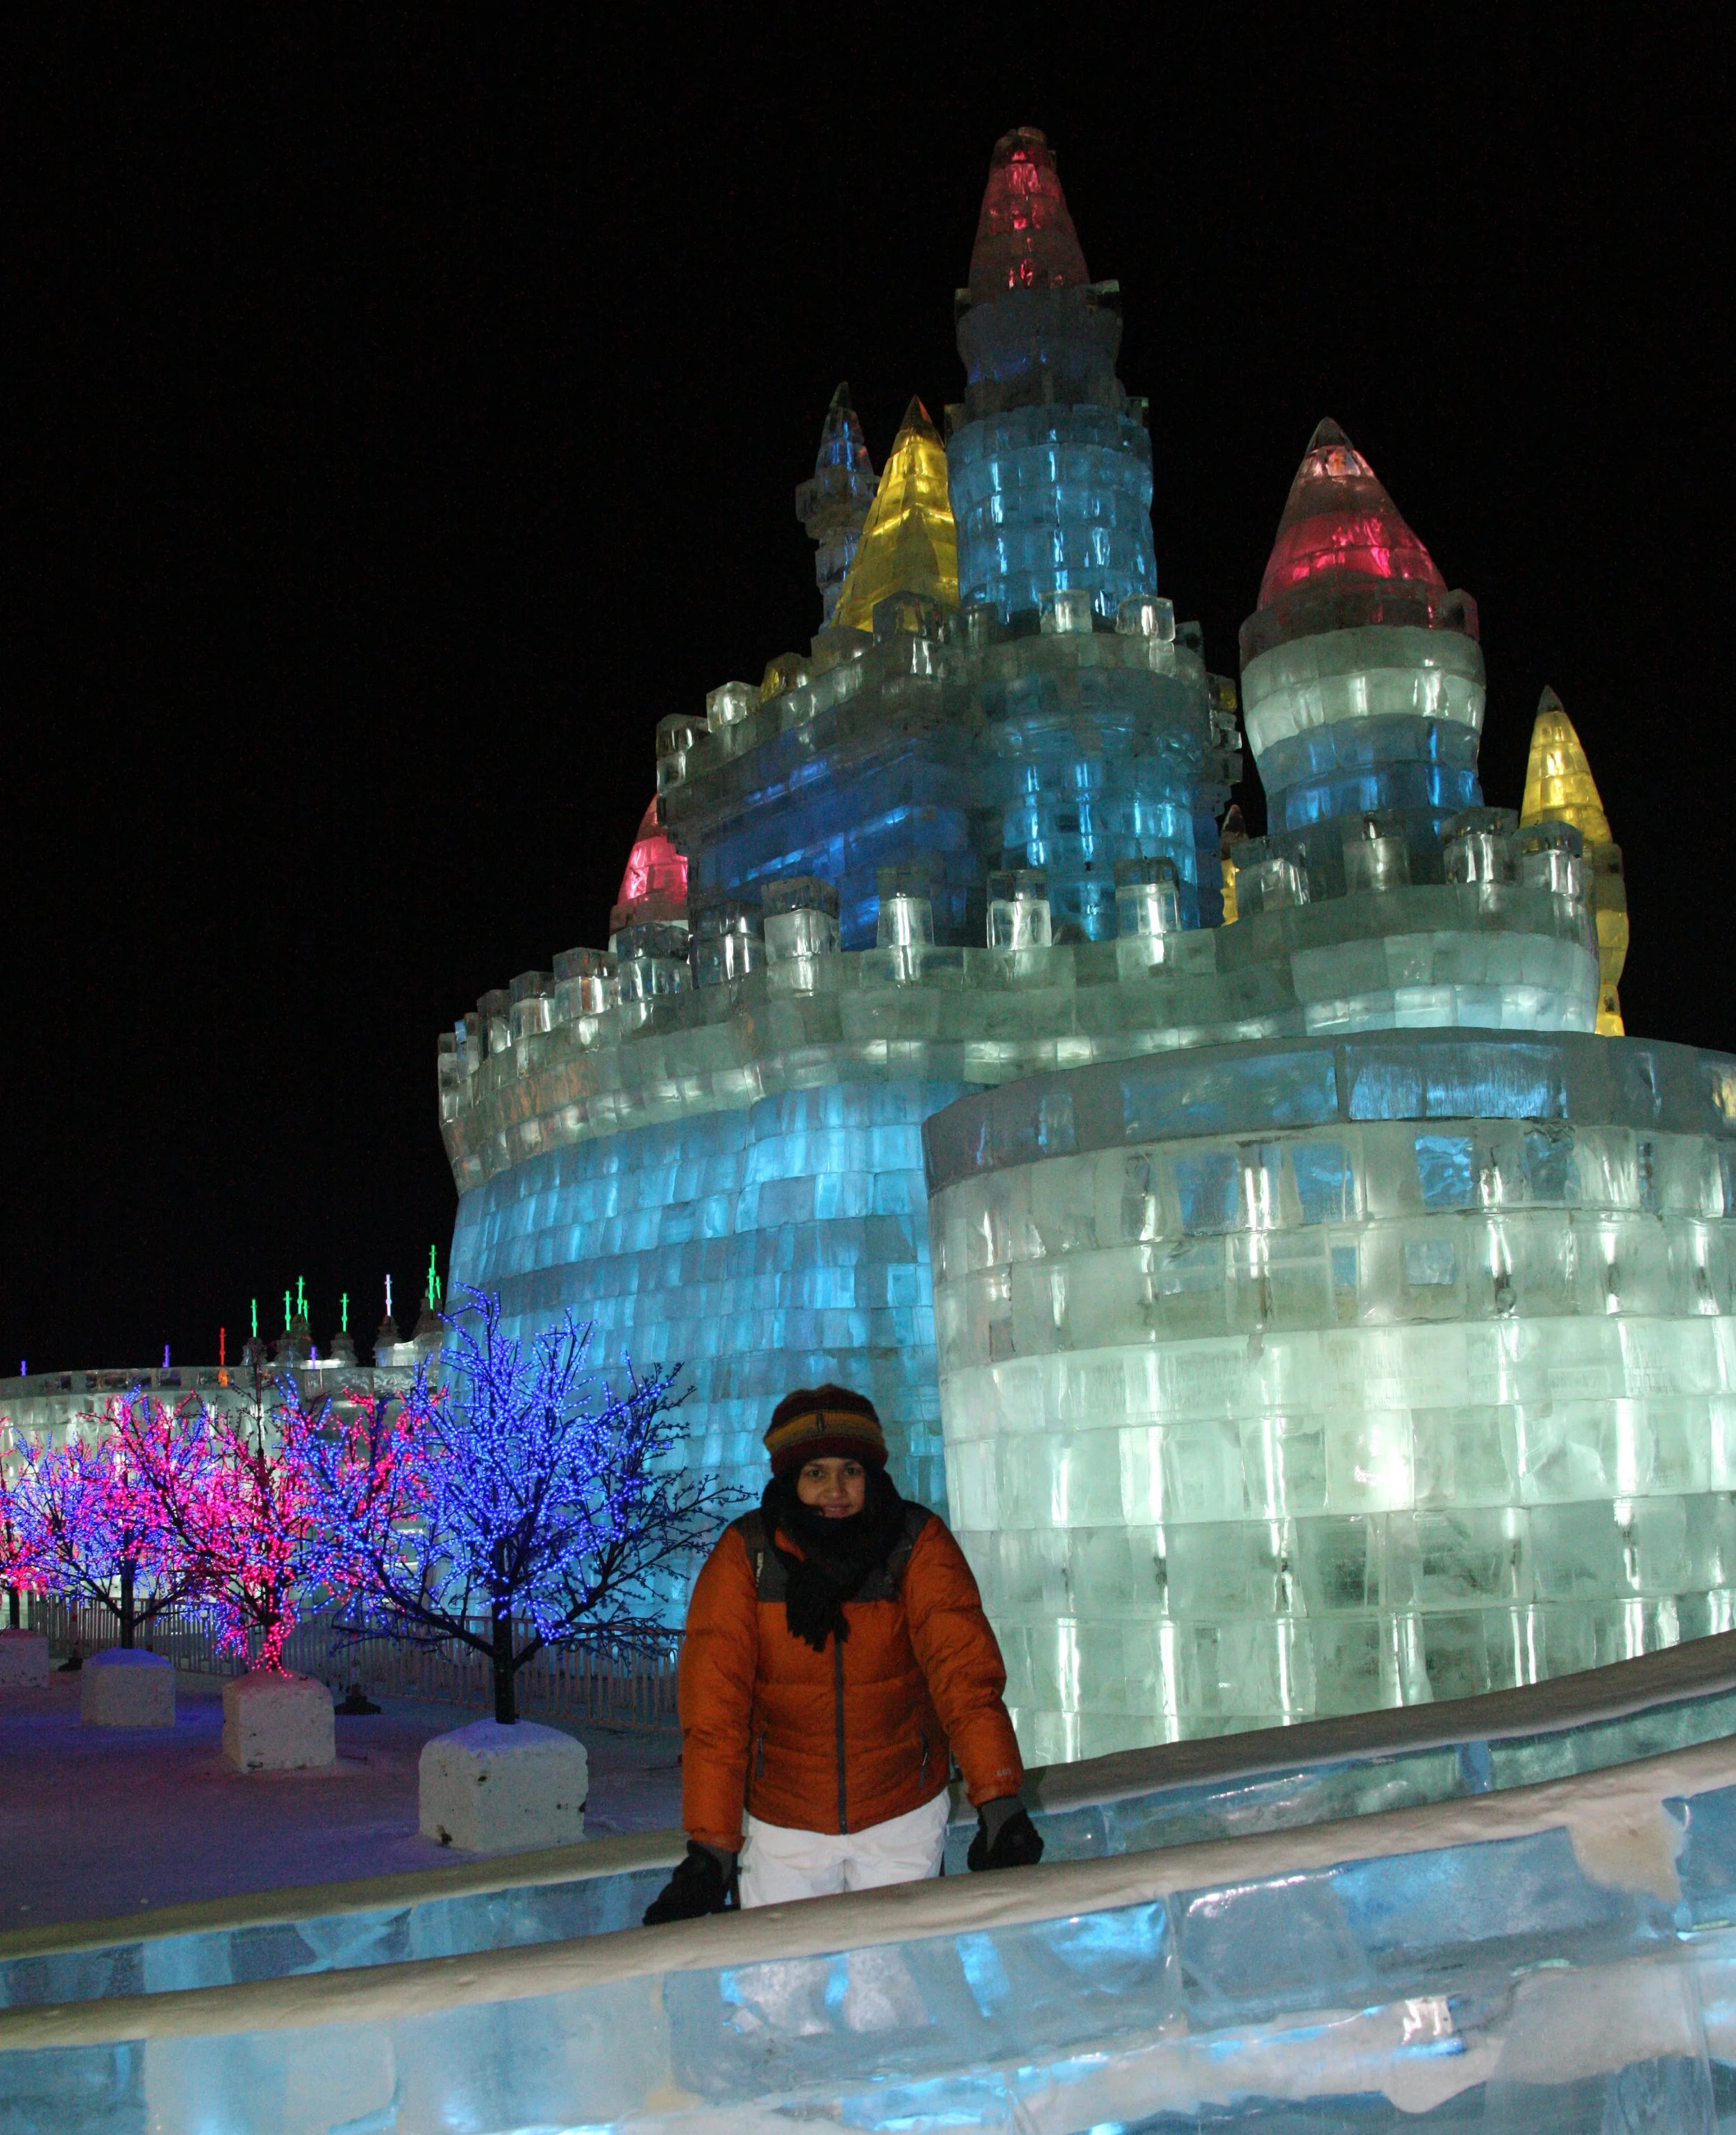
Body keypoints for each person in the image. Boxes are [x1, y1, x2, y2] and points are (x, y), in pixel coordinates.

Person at [644, 1384, 1042, 1920]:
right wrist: (713, 1846)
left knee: (891, 1984)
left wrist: (998, 1797)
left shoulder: (914, 1543)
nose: (835, 1488)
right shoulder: (747, 1556)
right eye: (815, 1472)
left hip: (901, 1815)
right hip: (785, 1823)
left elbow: (964, 1676)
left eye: (850, 1470)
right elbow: (715, 1709)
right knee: (779, 1987)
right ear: (790, 1477)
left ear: (871, 1472)